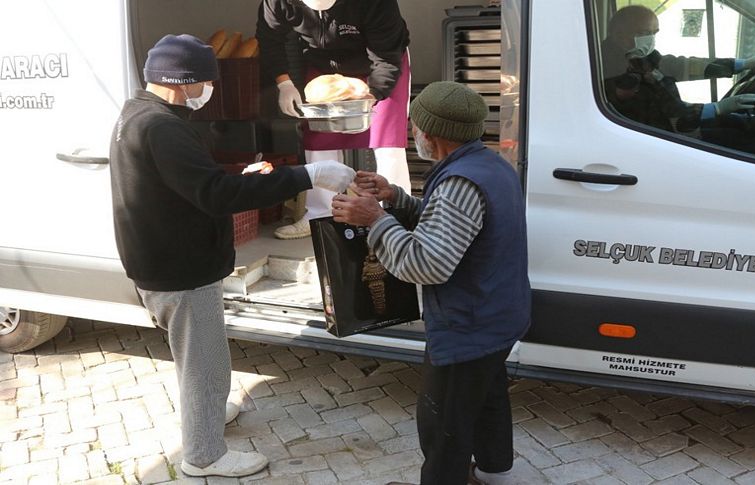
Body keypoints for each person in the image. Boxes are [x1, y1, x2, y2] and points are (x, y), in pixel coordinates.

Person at [109, 34, 354, 478]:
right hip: (180, 270)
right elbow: (217, 196)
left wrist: (229, 176)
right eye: (205, 81)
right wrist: (308, 174)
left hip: (162, 261)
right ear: (180, 82)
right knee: (203, 362)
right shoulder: (163, 127)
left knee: (199, 354)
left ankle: (208, 415)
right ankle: (204, 456)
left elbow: (191, 184)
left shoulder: (139, 113)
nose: (211, 90)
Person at [331, 81, 531, 485]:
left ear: (430, 134)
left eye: (416, 126)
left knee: (444, 424)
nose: (414, 134)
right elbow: (455, 226)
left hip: (468, 325)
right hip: (501, 315)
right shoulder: (491, 165)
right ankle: (494, 472)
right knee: (487, 395)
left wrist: (376, 219)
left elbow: (426, 264)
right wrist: (398, 200)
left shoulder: (459, 183)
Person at [257, 0, 412, 239]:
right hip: (322, 64)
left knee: (387, 141)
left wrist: (372, 95)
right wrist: (285, 83)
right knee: (318, 140)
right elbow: (270, 40)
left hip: (379, 62)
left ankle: (395, 215)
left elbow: (387, 56)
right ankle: (319, 215)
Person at [602, 5, 755, 139]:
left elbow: (680, 66)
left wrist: (740, 64)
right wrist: (716, 108)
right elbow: (671, 113)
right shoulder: (613, 68)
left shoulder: (639, 55)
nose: (650, 39)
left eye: (654, 33)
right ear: (619, 34)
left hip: (672, 128)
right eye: (644, 33)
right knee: (749, 137)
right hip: (661, 137)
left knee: (747, 126)